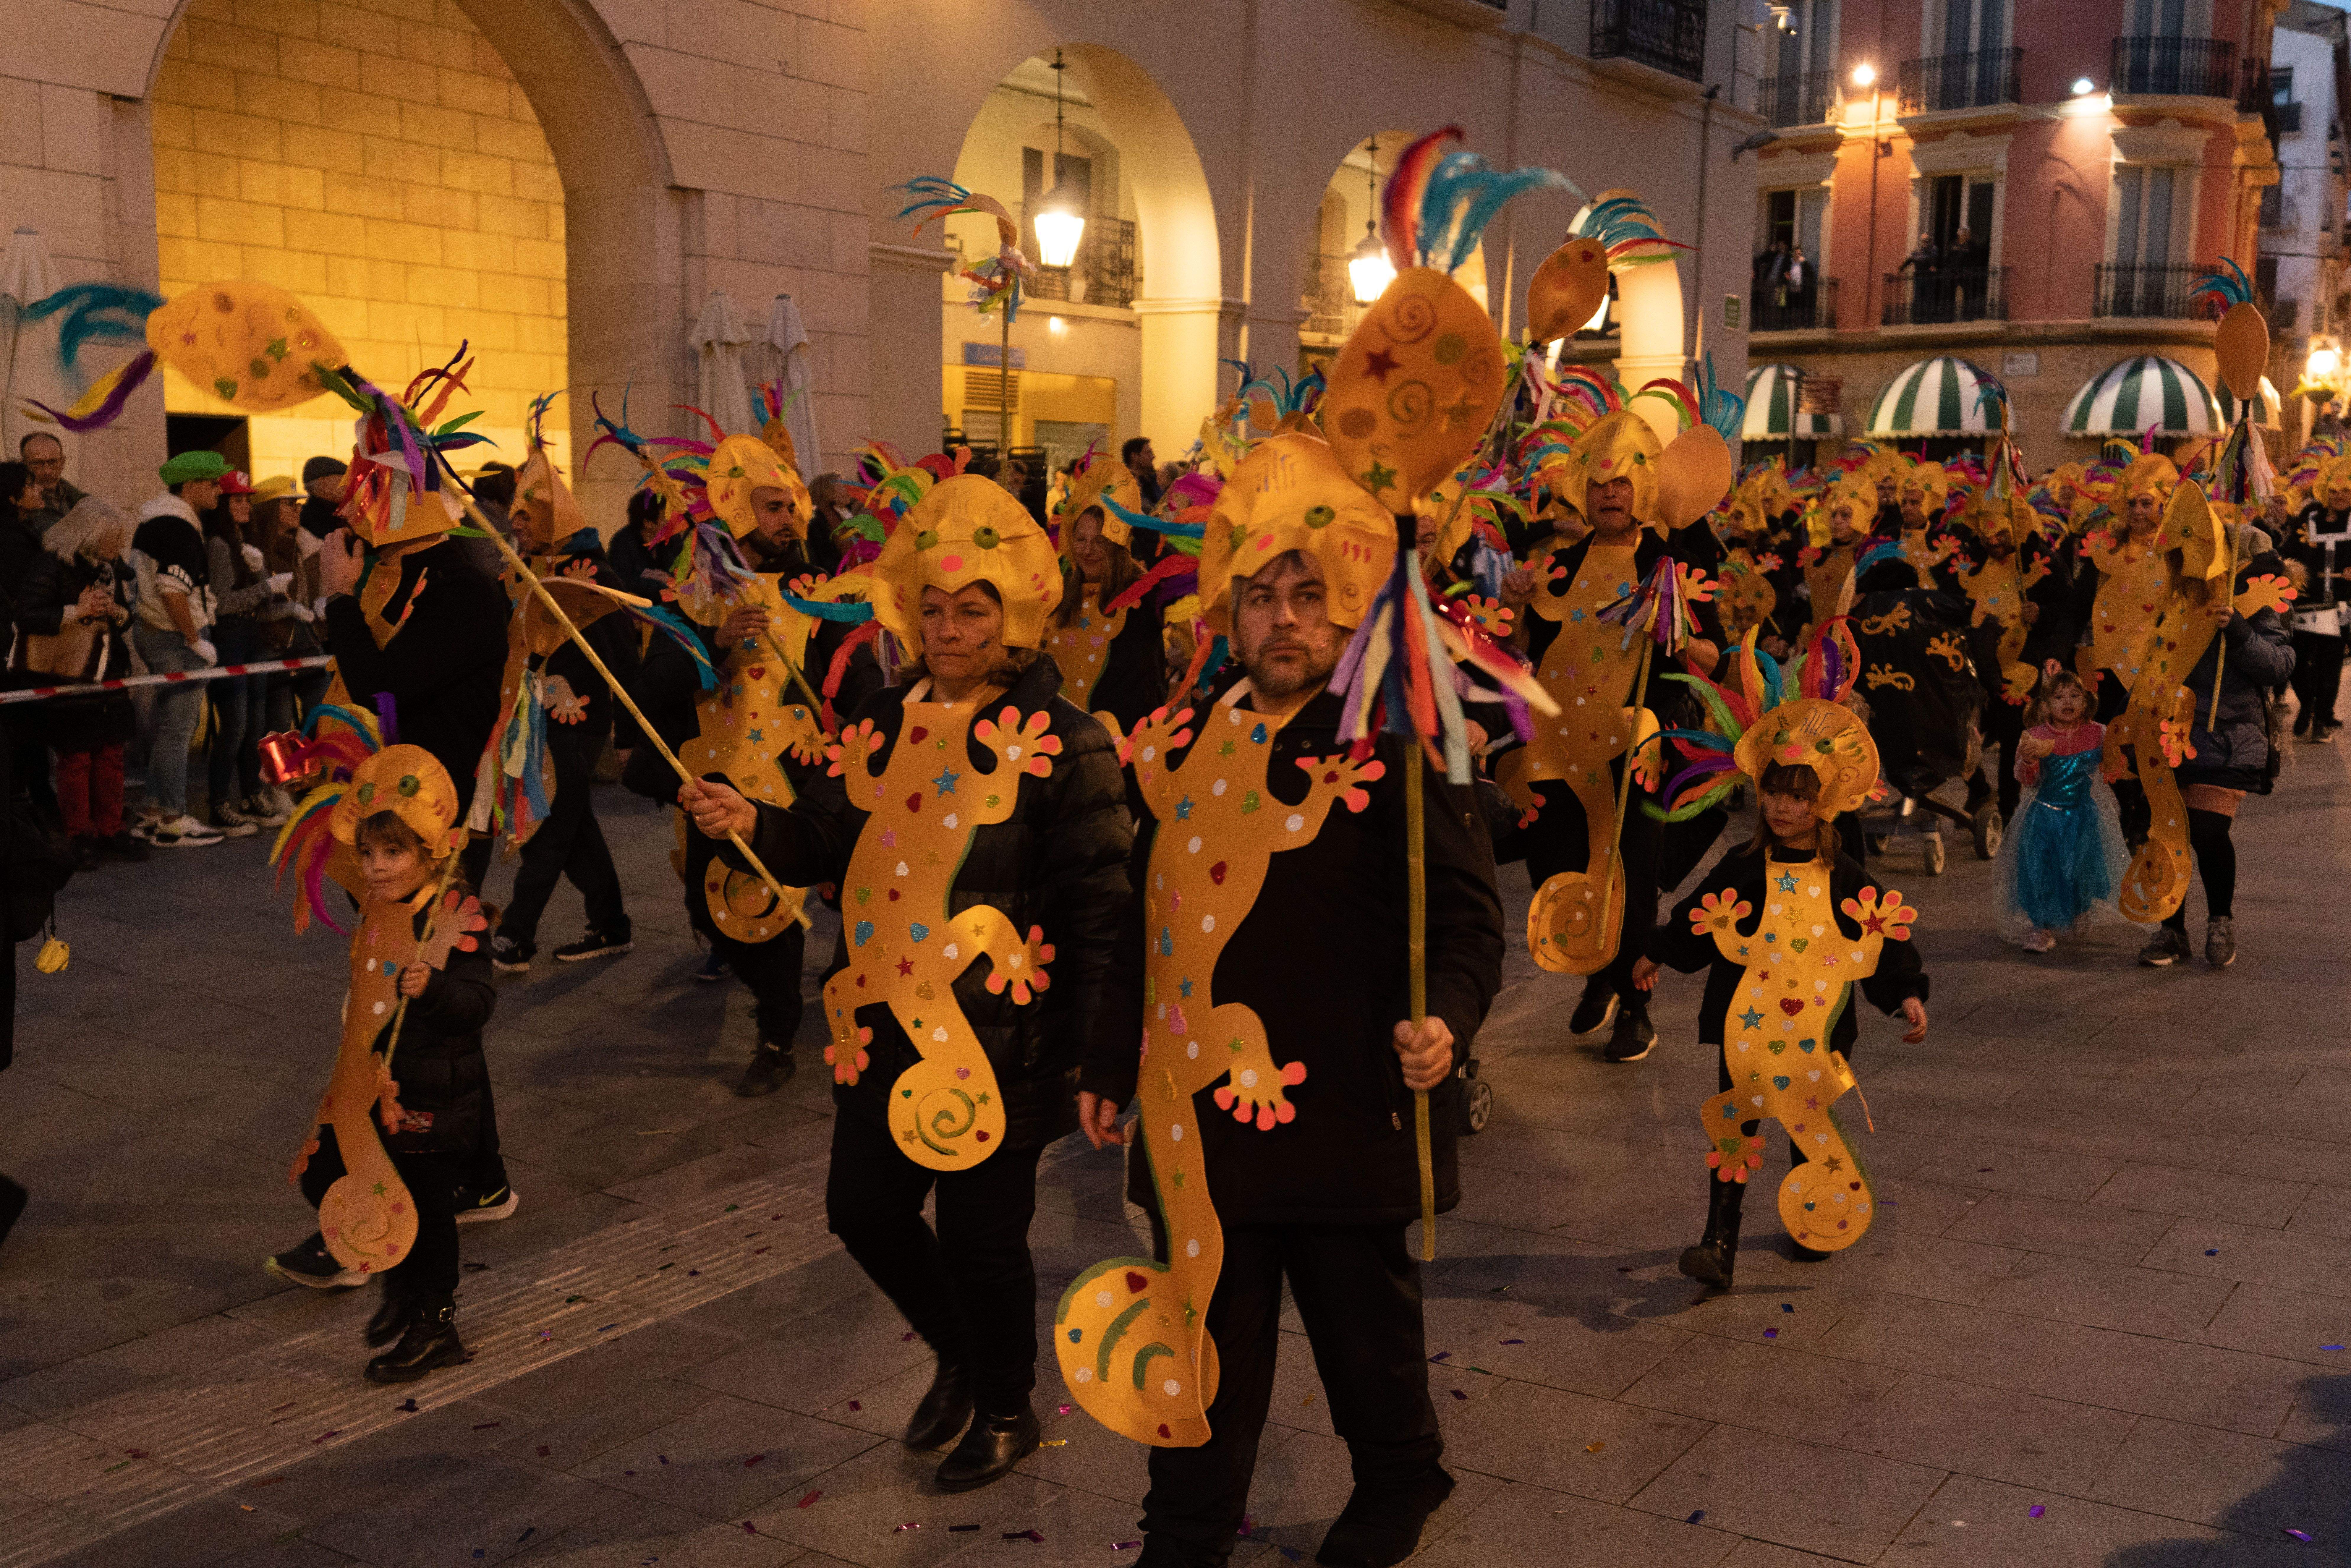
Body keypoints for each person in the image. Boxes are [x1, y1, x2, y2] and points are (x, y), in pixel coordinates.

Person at [1073, 432, 1504, 1568]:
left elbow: (1467, 923)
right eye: (1258, 597)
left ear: (1347, 604)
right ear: (1226, 610)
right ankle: (1184, 1537)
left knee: (1365, 1337)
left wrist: (1445, 1026)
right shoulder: (1186, 736)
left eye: (1305, 595)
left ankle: (1403, 1471)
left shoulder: (1399, 741)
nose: (1280, 619)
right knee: (1202, 1340)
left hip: (1344, 1107)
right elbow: (1149, 922)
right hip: (1195, 1121)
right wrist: (1109, 1062)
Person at [679, 469, 1131, 1492]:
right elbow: (834, 843)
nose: (949, 628)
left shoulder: (1067, 739)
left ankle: (1007, 1404)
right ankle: (964, 1356)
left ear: (1013, 616)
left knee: (982, 1237)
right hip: (877, 1024)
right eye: (933, 607)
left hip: (999, 1040)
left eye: (972, 609)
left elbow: (1100, 910)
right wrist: (753, 822)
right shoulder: (879, 718)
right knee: (864, 1210)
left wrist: (1095, 1054)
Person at [1633, 634, 1929, 1292]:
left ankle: (1813, 1222)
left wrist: (1905, 992)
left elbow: (1877, 931)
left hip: (1815, 1029)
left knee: (1806, 1128)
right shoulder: (1744, 864)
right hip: (1746, 1024)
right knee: (1734, 1127)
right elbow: (1699, 917)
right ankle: (1719, 1240)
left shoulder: (1842, 871)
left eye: (1798, 797)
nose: (1783, 808)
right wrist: (1657, 950)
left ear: (1821, 801)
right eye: (1773, 794)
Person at [1496, 409, 1725, 1063]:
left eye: (1623, 482)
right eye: (1599, 484)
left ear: (1643, 489)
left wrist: (1680, 638)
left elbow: (1717, 652)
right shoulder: (1559, 567)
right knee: (1559, 861)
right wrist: (1515, 606)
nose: (1611, 493)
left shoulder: (1672, 565)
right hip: (1558, 745)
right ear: (1583, 491)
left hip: (1637, 744)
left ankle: (1635, 1004)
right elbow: (1529, 649)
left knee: (1631, 869)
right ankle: (1598, 974)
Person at [265, 744, 494, 1384]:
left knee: (423, 1209)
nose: (376, 866)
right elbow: (330, 842)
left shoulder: (455, 915)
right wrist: (312, 785)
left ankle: (436, 1321)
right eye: (369, 854)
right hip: (366, 1090)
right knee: (328, 1180)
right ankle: (400, 1286)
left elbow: (479, 1002)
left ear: (431, 854)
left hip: (431, 1097)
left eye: (392, 853)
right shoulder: (375, 900)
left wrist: (438, 989)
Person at [482, 437, 640, 974]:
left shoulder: (592, 572)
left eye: (528, 515)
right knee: (575, 828)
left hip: (577, 721)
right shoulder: (519, 568)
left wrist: (626, 730)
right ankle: (611, 924)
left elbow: (623, 651)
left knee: (550, 826)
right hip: (531, 720)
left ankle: (517, 935)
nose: (517, 524)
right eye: (516, 515)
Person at [2136, 514, 2294, 969]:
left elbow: (2279, 666)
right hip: (2168, 728)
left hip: (2230, 733)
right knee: (2168, 833)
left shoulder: (2256, 597)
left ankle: (2220, 919)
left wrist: (2237, 630)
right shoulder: (2171, 593)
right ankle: (2171, 929)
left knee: (2207, 831)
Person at [12, 498, 143, 867]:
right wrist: (79, 611)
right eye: (114, 539)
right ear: (92, 534)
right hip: (69, 674)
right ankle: (78, 833)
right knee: (76, 760)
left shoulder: (111, 569)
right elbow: (28, 615)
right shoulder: (53, 564)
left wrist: (116, 612)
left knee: (112, 756)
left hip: (109, 671)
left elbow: (126, 620)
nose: (119, 547)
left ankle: (110, 828)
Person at [129, 451, 227, 848]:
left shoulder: (156, 521)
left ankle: (152, 811)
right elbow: (173, 592)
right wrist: (195, 642)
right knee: (177, 733)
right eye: (214, 483)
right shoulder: (179, 528)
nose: (220, 489)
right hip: (173, 636)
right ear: (191, 487)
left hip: (155, 631)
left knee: (170, 732)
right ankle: (173, 819)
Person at [1996, 667, 2131, 953]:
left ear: (2085, 701)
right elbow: (2026, 780)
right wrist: (2029, 762)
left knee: (2081, 868)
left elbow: (2114, 767)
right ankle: (2040, 928)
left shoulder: (2098, 733)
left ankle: (2080, 908)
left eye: (2074, 695)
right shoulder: (2033, 736)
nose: (2067, 702)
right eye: (2058, 697)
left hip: (2082, 815)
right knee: (2038, 870)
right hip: (2043, 815)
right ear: (2045, 706)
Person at [1043, 456, 1169, 733]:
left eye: (1100, 541)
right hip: (1065, 742)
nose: (1088, 551)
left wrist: (1134, 524)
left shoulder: (1144, 595)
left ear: (1117, 543)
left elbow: (1172, 573)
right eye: (1081, 540)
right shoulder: (1061, 593)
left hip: (1125, 745)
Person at [201, 471, 293, 836]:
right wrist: (264, 587)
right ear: (223, 504)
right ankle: (218, 802)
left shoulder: (243, 542)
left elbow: (255, 600)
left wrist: (265, 586)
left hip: (252, 635)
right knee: (235, 726)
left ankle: (251, 794)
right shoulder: (220, 545)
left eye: (247, 499)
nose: (244, 505)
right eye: (236, 499)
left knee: (255, 724)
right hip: (231, 638)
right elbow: (223, 604)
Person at [252, 475, 326, 748]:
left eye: (298, 503)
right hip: (273, 645)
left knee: (324, 713)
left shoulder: (305, 546)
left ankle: (317, 776)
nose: (298, 509)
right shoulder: (255, 553)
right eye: (289, 504)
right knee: (279, 729)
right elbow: (256, 609)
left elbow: (316, 588)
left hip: (307, 642)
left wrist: (322, 603)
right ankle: (280, 788)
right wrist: (290, 610)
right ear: (269, 510)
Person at [2285, 455, 2350, 741]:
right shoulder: (2309, 517)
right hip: (2307, 605)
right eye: (2333, 492)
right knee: (2295, 662)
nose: (2339, 497)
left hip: (2341, 607)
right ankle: (2308, 702)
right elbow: (2287, 552)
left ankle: (2322, 718)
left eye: (2346, 491)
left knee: (2330, 664)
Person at [18, 433, 85, 535]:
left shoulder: (75, 496)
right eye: (37, 463)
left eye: (53, 462)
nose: (47, 471)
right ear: (23, 465)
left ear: (62, 462)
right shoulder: (21, 505)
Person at [297, 456, 347, 540]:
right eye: (344, 479)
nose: (348, 485)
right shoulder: (309, 520)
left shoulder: (307, 516)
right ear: (325, 484)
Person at [1123, 435, 1162, 508]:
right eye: (1149, 453)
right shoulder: (1123, 483)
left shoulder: (1155, 480)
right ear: (1135, 457)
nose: (1154, 457)